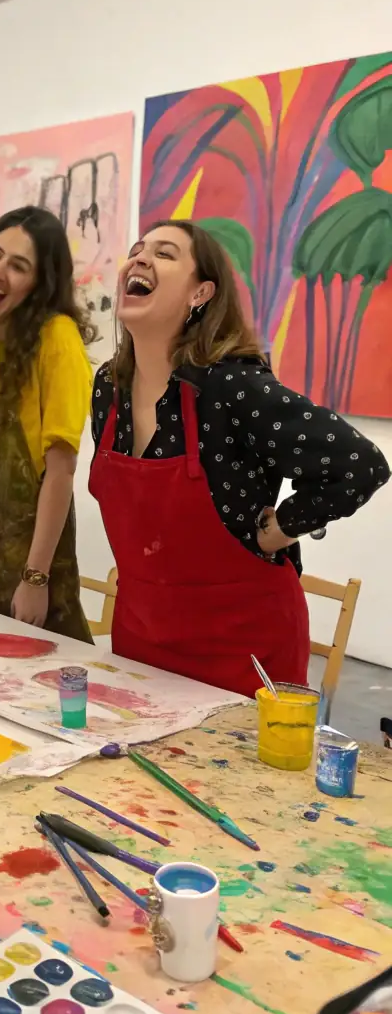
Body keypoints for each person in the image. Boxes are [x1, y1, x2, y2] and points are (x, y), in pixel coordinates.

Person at [90, 219, 390, 696]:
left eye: (165, 254)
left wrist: (282, 529)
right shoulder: (110, 387)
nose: (140, 258)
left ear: (201, 293)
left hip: (243, 652)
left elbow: (358, 464)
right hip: (142, 640)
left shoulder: (229, 386)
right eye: (137, 249)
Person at [0, 206, 96, 641]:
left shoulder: (57, 339)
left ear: (39, 284)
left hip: (29, 572)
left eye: (18, 266)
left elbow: (60, 470)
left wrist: (35, 579)